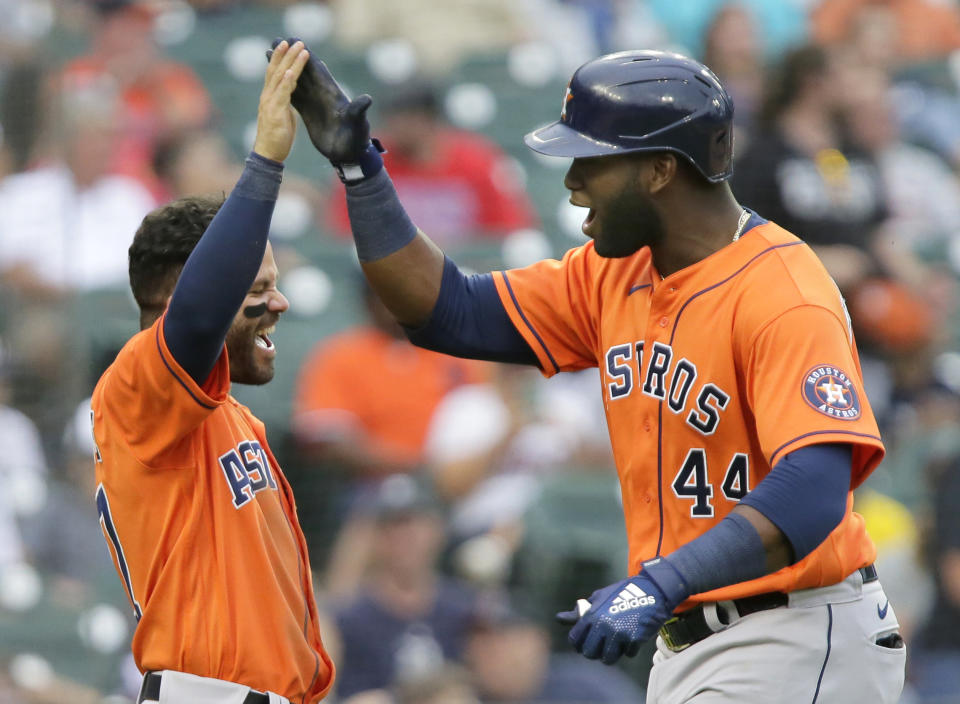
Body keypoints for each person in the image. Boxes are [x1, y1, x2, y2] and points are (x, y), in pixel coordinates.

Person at [286, 44, 906, 701]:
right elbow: (448, 313)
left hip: (795, 631)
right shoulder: (613, 274)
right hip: (701, 638)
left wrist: (661, 581)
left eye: (593, 161)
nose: (572, 180)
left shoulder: (783, 291)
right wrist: (362, 174)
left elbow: (814, 489)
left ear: (662, 170)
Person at [90, 41, 336, 703]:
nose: (278, 304)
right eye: (255, 290)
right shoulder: (132, 392)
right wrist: (265, 163)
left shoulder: (235, 418)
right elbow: (198, 319)